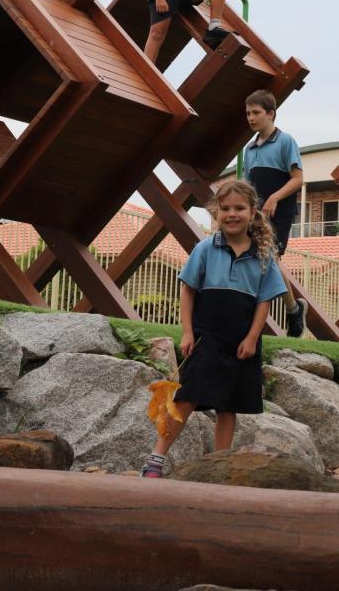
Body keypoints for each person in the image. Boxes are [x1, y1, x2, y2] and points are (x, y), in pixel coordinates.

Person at [140, 180, 287, 479]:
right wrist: (187, 332)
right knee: (186, 396)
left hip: (241, 343)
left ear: (252, 211)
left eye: (239, 208)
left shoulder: (263, 256)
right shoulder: (206, 248)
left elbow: (264, 301)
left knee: (228, 404)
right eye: (226, 208)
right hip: (207, 336)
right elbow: (188, 289)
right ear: (216, 212)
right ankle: (156, 458)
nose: (232, 214)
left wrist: (252, 337)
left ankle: (219, 466)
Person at [243, 89, 308, 337]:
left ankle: (292, 312)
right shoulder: (249, 150)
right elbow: (248, 186)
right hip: (256, 213)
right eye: (248, 113)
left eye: (256, 113)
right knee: (254, 260)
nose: (251, 117)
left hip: (280, 212)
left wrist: (275, 197)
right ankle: (293, 310)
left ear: (271, 114)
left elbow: (298, 179)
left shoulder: (285, 141)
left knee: (270, 258)